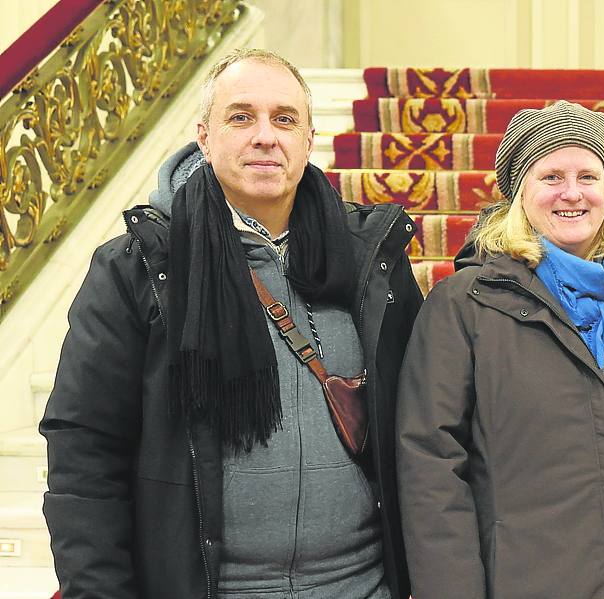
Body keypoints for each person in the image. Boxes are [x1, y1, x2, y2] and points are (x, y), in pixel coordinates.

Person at [41, 49, 421, 598]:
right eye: (241, 117)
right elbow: (85, 450)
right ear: (204, 136)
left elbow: (421, 430)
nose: (265, 136)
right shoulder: (140, 267)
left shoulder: (370, 260)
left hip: (360, 586)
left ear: (308, 139)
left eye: (284, 118)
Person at [396, 100, 604, 598]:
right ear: (519, 193)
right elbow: (430, 464)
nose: (572, 193)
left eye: (588, 176)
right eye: (550, 176)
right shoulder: (465, 305)